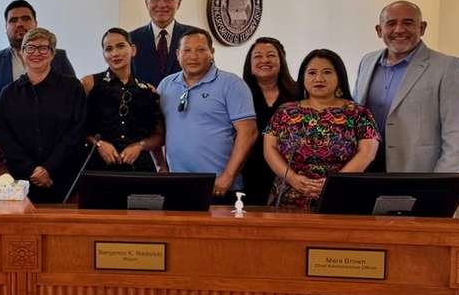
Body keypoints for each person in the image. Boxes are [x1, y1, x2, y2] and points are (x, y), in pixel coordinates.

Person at [355, 0, 459, 173]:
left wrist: (442, 183)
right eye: (391, 23)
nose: (399, 29)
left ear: (422, 28)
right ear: (379, 30)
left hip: (417, 174)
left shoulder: (448, 67)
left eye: (408, 22)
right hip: (367, 171)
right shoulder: (367, 62)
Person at [265, 49, 380, 210]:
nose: (319, 78)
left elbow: (367, 153)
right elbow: (269, 148)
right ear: (303, 78)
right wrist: (292, 178)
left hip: (341, 194)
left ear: (339, 76)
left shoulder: (358, 113)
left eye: (327, 72)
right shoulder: (285, 111)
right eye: (312, 73)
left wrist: (334, 183)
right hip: (290, 194)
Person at [156, 29, 257, 200]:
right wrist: (161, 166)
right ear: (178, 54)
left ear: (212, 53)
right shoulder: (166, 85)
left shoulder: (231, 84)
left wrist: (228, 177)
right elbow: (156, 130)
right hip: (176, 184)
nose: (193, 56)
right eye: (187, 50)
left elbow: (249, 133)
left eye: (201, 50)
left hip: (219, 187)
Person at [0, 28, 88, 203]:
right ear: (22, 53)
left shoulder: (72, 88)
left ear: (53, 54)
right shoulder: (9, 94)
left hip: (64, 179)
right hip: (21, 181)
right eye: (30, 48)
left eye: (43, 48)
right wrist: (32, 170)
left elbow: (76, 132)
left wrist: (48, 169)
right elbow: (4, 137)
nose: (36, 53)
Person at [82, 28, 164, 172]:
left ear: (133, 50)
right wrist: (99, 143)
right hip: (97, 168)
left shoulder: (148, 90)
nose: (115, 53)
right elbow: (76, 127)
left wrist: (140, 146)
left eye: (120, 46)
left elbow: (159, 135)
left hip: (139, 169)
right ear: (104, 54)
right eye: (108, 49)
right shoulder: (89, 84)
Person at [0, 0, 76, 104]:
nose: (19, 24)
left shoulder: (59, 57)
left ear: (36, 24)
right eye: (13, 20)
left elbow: (73, 97)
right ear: (5, 27)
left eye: (26, 19)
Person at [240, 37, 300, 204]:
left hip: (289, 173)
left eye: (271, 55)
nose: (264, 60)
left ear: (281, 61)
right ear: (250, 64)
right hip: (248, 171)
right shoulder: (239, 94)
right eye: (258, 56)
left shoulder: (299, 94)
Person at [130, 0, 204, 86]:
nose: (161, 4)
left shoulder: (197, 37)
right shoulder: (131, 39)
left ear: (178, 4)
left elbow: (208, 78)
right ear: (147, 3)